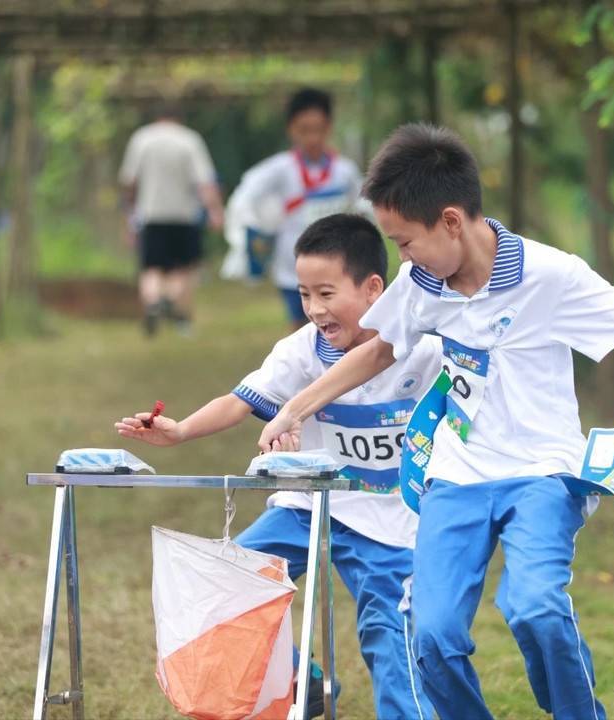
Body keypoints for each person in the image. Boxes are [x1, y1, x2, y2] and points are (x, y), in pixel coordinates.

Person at [258, 124, 614, 720]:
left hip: (542, 473)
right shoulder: (421, 282)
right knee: (430, 635)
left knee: (534, 607)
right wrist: (294, 407)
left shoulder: (549, 274)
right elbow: (380, 348)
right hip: (456, 479)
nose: (400, 256)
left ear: (452, 221)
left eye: (405, 242)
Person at [117, 213, 436, 720]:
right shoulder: (300, 352)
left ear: (374, 288)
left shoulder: (421, 348)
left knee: (389, 635)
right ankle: (300, 680)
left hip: (390, 521)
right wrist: (179, 432)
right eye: (305, 295)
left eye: (327, 294)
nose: (314, 309)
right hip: (305, 508)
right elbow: (240, 402)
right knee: (226, 578)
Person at [226, 88, 367, 331]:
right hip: (293, 267)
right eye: (304, 130)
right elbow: (245, 196)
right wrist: (251, 231)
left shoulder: (344, 171)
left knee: (340, 326)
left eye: (318, 129)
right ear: (291, 129)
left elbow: (364, 201)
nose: (312, 138)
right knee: (302, 330)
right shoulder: (280, 169)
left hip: (339, 264)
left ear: (329, 128)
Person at [119, 103, 224, 336]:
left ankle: (154, 301)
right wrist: (215, 211)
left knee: (151, 268)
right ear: (180, 118)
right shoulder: (190, 140)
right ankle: (173, 305)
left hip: (150, 214)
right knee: (183, 269)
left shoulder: (142, 139)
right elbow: (205, 182)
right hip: (184, 216)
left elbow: (129, 181)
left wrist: (128, 215)